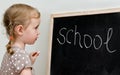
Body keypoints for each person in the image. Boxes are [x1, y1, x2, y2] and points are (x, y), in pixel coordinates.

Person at [0, 3, 40, 75]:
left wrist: (29, 61)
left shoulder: (9, 53)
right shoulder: (22, 56)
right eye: (36, 28)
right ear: (20, 30)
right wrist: (26, 62)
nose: (38, 32)